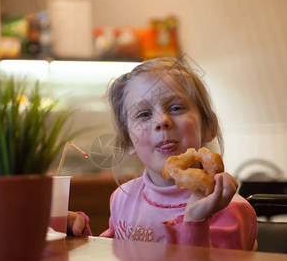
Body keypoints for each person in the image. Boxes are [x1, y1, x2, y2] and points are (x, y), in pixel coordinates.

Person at [67, 57, 257, 250]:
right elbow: (112, 254)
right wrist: (76, 234)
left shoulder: (230, 210)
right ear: (127, 141)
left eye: (176, 108)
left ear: (209, 126)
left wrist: (194, 220)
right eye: (144, 114)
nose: (162, 121)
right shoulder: (123, 199)